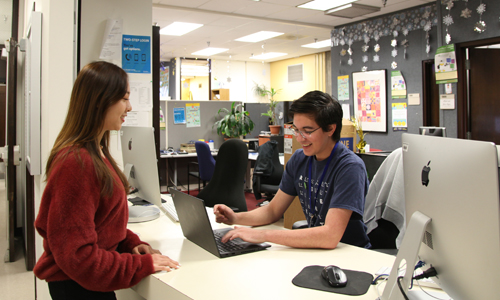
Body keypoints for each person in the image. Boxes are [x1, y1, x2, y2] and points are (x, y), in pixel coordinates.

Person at [33, 61, 180, 300]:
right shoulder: (76, 163)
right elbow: (78, 256)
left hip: (85, 284)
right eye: (124, 99)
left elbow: (101, 224)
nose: (130, 107)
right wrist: (140, 265)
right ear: (100, 101)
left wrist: (129, 243)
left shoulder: (96, 153)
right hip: (77, 287)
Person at [214, 90, 371, 249]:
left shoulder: (349, 168)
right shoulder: (299, 159)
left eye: (307, 131)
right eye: (296, 129)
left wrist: (263, 235)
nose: (300, 138)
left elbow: (330, 236)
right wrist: (235, 218)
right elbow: (273, 210)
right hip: (317, 251)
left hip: (350, 254)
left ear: (330, 129)